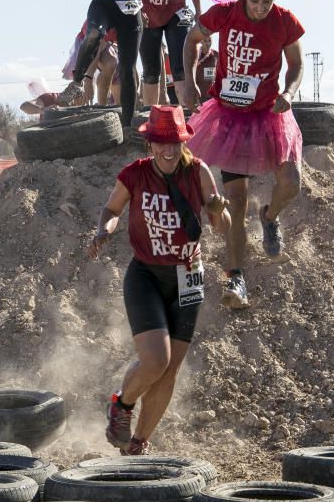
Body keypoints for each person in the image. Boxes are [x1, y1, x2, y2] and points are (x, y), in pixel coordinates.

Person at [87, 105, 230, 455]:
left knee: (169, 372)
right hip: (146, 274)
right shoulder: (134, 174)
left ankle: (137, 442)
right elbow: (112, 209)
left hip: (189, 275)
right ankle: (121, 405)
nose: (168, 151)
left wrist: (217, 210)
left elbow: (223, 225)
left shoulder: (198, 172)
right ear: (149, 143)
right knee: (155, 360)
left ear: (184, 142)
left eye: (175, 143)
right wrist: (104, 231)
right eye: (161, 143)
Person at [180, 0, 305, 310]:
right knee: (235, 199)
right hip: (229, 116)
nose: (260, 7)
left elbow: (295, 64)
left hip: (269, 114)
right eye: (254, 0)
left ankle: (270, 216)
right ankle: (236, 278)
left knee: (291, 182)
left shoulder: (285, 21)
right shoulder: (225, 14)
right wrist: (188, 81)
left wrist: (291, 92)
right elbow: (192, 39)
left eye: (266, 1)